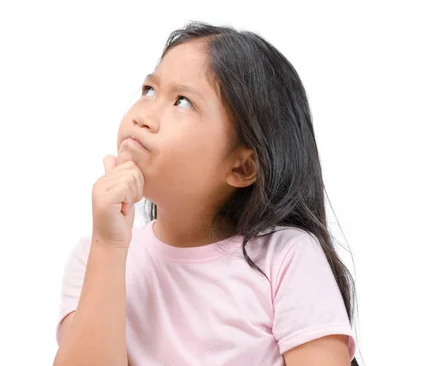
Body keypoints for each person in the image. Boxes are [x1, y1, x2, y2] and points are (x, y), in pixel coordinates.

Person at [53, 21, 359, 366]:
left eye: (182, 101)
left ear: (242, 167)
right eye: (149, 90)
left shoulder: (286, 258)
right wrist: (108, 248)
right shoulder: (94, 257)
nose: (144, 117)